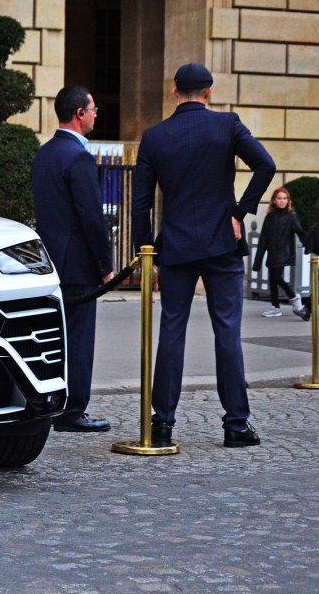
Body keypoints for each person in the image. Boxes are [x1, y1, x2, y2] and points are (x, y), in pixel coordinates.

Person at [132, 63, 276, 448]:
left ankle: (161, 423)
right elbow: (266, 165)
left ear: (175, 92)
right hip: (221, 241)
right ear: (208, 92)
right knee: (227, 332)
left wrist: (145, 250)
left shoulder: (155, 136)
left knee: (171, 332)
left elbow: (141, 203)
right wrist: (239, 211)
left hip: (177, 245)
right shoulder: (227, 125)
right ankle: (236, 425)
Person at [32, 85, 115, 432]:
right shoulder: (78, 157)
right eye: (94, 108)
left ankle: (53, 404)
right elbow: (92, 218)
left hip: (50, 260)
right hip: (78, 266)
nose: (97, 114)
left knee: (55, 339)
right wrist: (106, 266)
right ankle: (72, 411)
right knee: (79, 341)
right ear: (80, 113)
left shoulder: (45, 153)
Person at [254, 187, 307, 317]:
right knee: (272, 279)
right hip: (272, 252)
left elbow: (300, 232)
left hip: (284, 252)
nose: (282, 201)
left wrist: (310, 244)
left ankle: (294, 298)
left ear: (288, 201)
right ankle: (275, 307)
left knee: (277, 277)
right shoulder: (269, 217)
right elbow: (263, 240)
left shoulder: (291, 216)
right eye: (279, 198)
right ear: (274, 201)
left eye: (285, 198)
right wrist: (257, 262)